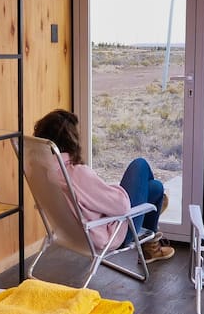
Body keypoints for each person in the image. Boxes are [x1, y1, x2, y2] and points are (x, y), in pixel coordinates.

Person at [33, 109, 174, 263]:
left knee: (155, 187)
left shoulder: (43, 173)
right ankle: (150, 244)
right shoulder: (76, 174)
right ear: (70, 140)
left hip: (73, 236)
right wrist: (110, 189)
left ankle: (150, 244)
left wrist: (103, 190)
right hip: (113, 235)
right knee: (141, 166)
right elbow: (122, 207)